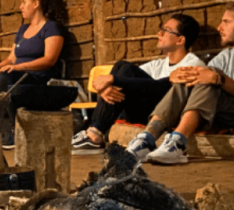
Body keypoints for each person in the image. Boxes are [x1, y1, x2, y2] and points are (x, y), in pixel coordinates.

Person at [128, 2, 234, 164]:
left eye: (226, 22)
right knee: (197, 74)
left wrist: (219, 79)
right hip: (217, 111)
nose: (219, 27)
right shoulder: (226, 56)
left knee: (211, 75)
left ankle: (178, 142)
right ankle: (147, 138)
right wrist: (186, 76)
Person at [71, 13, 204, 151]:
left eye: (166, 30)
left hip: (164, 115)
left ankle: (95, 132)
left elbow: (166, 90)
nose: (160, 33)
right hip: (143, 111)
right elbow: (129, 80)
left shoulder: (192, 64)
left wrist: (114, 80)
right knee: (121, 67)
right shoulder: (158, 64)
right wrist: (106, 88)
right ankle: (94, 131)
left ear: (180, 40)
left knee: (124, 70)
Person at [0, 0, 66, 147]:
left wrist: (19, 67)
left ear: (35, 3)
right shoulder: (23, 29)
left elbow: (50, 60)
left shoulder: (51, 28)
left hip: (36, 78)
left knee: (4, 78)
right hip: (15, 73)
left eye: (23, 2)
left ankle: (13, 130)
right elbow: (11, 58)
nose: (20, 6)